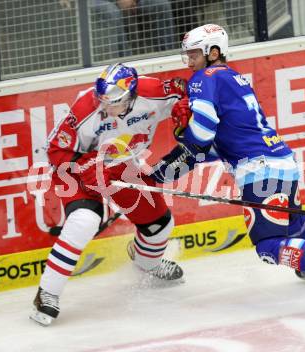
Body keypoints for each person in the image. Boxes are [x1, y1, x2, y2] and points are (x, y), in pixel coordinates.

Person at [148, 24, 305, 312]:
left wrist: (183, 137)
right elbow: (216, 146)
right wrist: (170, 164)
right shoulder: (233, 78)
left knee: (268, 246)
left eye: (194, 54)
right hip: (282, 162)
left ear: (213, 52)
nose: (189, 62)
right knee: (295, 223)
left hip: (260, 171)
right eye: (187, 55)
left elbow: (201, 137)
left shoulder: (204, 78)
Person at [30, 63, 187, 326]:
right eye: (101, 100)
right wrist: (86, 165)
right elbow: (56, 150)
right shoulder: (85, 107)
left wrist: (188, 112)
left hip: (122, 166)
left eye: (112, 102)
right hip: (77, 169)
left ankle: (147, 264)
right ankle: (47, 293)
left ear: (131, 96)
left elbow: (185, 90)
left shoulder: (152, 93)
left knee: (160, 225)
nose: (105, 107)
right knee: (84, 221)